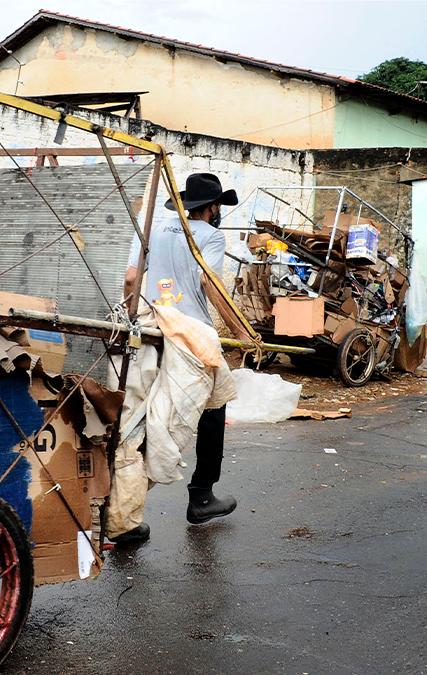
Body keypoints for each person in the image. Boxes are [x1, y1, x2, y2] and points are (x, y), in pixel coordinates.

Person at [113, 172, 239, 544]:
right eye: (218, 206)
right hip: (191, 333)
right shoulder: (212, 236)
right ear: (212, 208)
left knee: (138, 416)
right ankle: (201, 496)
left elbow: (131, 278)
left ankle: (124, 515)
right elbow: (208, 283)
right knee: (213, 408)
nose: (219, 213)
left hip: (150, 326)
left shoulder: (152, 227)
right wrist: (237, 328)